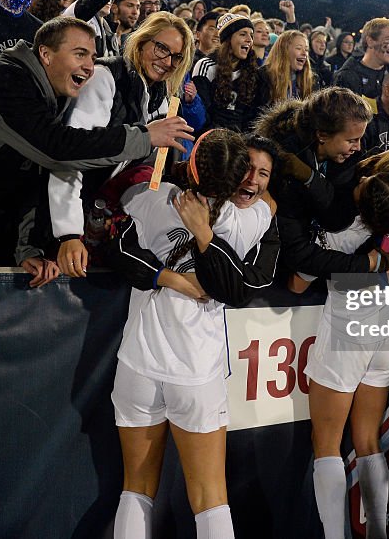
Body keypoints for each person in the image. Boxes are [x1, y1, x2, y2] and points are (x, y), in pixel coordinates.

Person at [0, 15, 193, 276]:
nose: (91, 67)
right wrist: (143, 137)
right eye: (80, 54)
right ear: (46, 54)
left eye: (93, 56)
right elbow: (57, 151)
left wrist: (26, 249)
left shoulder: (57, 95)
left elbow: (31, 179)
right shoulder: (7, 79)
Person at [107, 129, 273, 539]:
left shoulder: (151, 195)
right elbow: (269, 203)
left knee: (136, 489)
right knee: (210, 497)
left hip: (138, 363)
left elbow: (113, 201)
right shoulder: (246, 218)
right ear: (237, 181)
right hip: (195, 372)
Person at [293, 171, 389, 539]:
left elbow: (298, 282)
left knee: (327, 445)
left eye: (367, 181)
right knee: (367, 441)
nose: (360, 175)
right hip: (384, 337)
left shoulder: (341, 233)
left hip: (348, 338)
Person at [256, 87, 389, 278]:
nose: (358, 148)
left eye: (360, 139)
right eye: (352, 140)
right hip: (276, 270)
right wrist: (368, 263)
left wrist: (312, 179)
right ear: (322, 135)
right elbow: (298, 254)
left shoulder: (343, 158)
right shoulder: (283, 169)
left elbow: (336, 217)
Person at [192, 12, 266, 132]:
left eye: (251, 36)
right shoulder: (206, 66)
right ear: (228, 39)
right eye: (243, 34)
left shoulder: (253, 72)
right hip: (209, 137)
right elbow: (202, 113)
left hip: (240, 141)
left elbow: (252, 117)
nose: (249, 40)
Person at [262, 28, 314, 102]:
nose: (304, 53)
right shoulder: (264, 77)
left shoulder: (311, 80)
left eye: (306, 50)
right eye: (299, 48)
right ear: (284, 50)